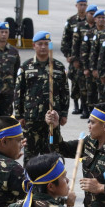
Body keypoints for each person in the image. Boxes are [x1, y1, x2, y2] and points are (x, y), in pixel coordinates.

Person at [14, 31, 69, 162]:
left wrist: (64, 114)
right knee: (30, 154)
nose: (43, 47)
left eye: (46, 44)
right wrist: (19, 115)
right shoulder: (26, 66)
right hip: (31, 117)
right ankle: (30, 181)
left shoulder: (58, 67)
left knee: (51, 152)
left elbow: (65, 92)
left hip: (52, 118)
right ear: (34, 46)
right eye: (40, 44)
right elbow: (18, 92)